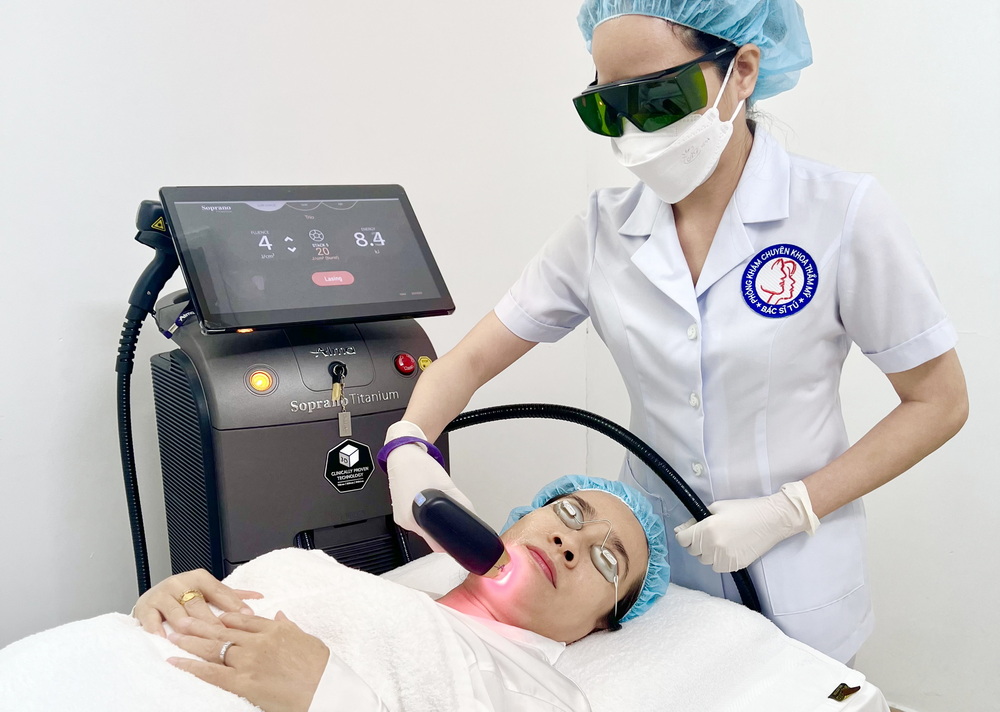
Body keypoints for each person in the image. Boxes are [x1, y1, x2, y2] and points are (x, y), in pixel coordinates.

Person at [379, 0, 969, 665]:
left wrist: (791, 508)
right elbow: (468, 361)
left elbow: (939, 402)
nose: (635, 130)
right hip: (651, 582)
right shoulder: (601, 231)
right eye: (608, 108)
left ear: (741, 71)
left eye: (659, 99)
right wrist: (409, 441)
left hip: (801, 573)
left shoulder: (841, 214)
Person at [131, 476, 670, 712]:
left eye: (607, 560)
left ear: (601, 624)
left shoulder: (541, 697)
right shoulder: (368, 587)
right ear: (518, 520)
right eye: (569, 512)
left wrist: (326, 695)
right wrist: (167, 608)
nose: (569, 542)